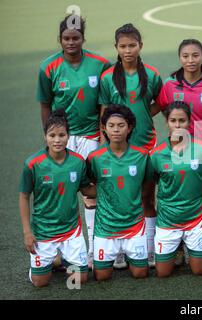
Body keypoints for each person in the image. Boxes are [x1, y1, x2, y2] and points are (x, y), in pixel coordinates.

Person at [36, 15, 111, 268]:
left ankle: (94, 251)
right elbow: (45, 104)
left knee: (91, 195)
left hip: (91, 137)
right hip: (62, 139)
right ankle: (60, 250)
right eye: (66, 38)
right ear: (60, 39)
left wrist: (103, 135)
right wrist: (50, 137)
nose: (71, 43)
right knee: (63, 195)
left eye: (75, 38)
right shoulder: (48, 67)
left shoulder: (100, 64)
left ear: (83, 38)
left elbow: (105, 103)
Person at [155, 39, 202, 265]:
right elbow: (161, 110)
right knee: (178, 197)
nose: (190, 60)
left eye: (195, 55)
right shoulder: (169, 85)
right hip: (179, 153)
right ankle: (177, 249)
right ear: (179, 58)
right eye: (185, 56)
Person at [99, 23, 162, 268]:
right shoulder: (107, 78)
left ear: (140, 46)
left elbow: (161, 103)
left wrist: (142, 115)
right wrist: (106, 142)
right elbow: (103, 113)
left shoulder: (152, 75)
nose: (128, 50)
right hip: (116, 149)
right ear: (116, 47)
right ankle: (119, 249)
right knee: (120, 198)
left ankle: (149, 250)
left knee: (147, 197)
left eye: (132, 45)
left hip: (145, 146)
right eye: (123, 46)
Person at [19, 110, 95, 287]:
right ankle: (50, 262)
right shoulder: (33, 164)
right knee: (40, 283)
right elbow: (24, 196)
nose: (57, 140)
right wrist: (27, 232)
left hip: (71, 232)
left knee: (77, 281)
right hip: (43, 232)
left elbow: (86, 190)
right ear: (45, 137)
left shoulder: (77, 162)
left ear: (68, 136)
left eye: (62, 135)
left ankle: (60, 260)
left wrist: (110, 185)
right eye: (52, 135)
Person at [87, 105, 153, 281]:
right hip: (105, 227)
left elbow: (148, 184)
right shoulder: (95, 157)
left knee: (140, 274)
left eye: (121, 125)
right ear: (104, 128)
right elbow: (87, 185)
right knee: (101, 276)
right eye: (111, 125)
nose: (116, 130)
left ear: (130, 127)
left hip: (134, 225)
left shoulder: (142, 155)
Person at [150, 101, 202, 277]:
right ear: (167, 122)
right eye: (173, 120)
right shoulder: (157, 154)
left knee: (199, 272)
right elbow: (152, 180)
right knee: (162, 273)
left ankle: (187, 246)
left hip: (196, 219)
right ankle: (177, 249)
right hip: (168, 220)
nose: (177, 125)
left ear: (190, 122)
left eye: (182, 121)